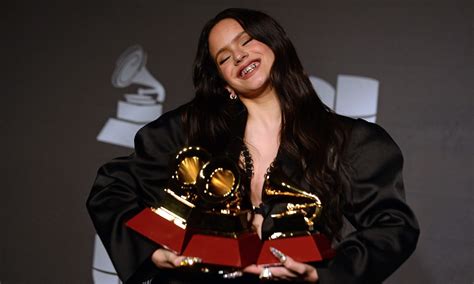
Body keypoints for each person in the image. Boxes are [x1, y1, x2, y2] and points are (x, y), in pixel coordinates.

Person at [87, 8, 420, 284]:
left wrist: (324, 275)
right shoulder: (192, 130)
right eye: (224, 57)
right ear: (224, 82)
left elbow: (392, 226)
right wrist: (151, 248)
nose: (239, 55)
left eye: (246, 41)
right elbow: (111, 188)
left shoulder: (349, 141)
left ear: (276, 45)